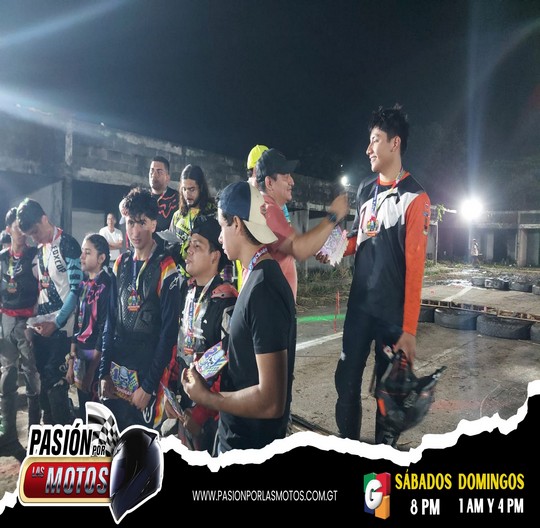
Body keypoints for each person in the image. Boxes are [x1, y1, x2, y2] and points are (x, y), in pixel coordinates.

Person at [332, 104, 431, 447]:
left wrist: (409, 331)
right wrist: (331, 247)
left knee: (388, 397)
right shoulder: (365, 190)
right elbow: (356, 239)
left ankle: (380, 473)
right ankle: (349, 448)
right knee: (346, 383)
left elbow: (416, 269)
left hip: (391, 317)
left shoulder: (416, 198)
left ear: (394, 143)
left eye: (375, 140)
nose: (368, 149)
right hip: (359, 309)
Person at [181, 181, 296, 453]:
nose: (220, 238)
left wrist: (209, 399)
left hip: (250, 445)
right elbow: (241, 344)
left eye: (222, 227)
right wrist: (203, 368)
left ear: (236, 224)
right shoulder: (255, 276)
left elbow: (271, 401)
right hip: (236, 435)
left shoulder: (264, 288)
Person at [99, 186, 180, 432]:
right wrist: (103, 371)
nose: (135, 231)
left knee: (143, 448)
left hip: (147, 375)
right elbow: (110, 319)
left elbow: (168, 334)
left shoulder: (166, 267)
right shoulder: (120, 263)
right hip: (118, 372)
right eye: (131, 223)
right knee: (114, 444)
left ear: (154, 224)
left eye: (142, 223)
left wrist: (148, 386)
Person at [165, 215, 237, 452]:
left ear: (215, 255)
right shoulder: (187, 291)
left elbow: (227, 363)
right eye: (189, 245)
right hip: (184, 403)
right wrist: (169, 391)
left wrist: (201, 413)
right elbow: (178, 345)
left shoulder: (227, 299)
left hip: (211, 414)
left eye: (197, 246)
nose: (188, 251)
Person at [17, 198, 83, 425]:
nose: (34, 238)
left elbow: (76, 290)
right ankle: (49, 438)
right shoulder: (39, 249)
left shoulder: (68, 244)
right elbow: (40, 290)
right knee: (44, 390)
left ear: (44, 219)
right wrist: (30, 323)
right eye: (30, 235)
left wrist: (56, 322)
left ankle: (64, 440)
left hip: (62, 329)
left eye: (35, 232)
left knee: (56, 390)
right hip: (41, 329)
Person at [254, 148, 349, 301]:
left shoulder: (269, 208)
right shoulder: (269, 210)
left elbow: (292, 245)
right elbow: (298, 248)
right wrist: (333, 216)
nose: (292, 181)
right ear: (269, 182)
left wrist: (315, 245)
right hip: (272, 306)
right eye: (285, 176)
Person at [0, 208, 40, 460]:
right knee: (8, 374)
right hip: (6, 319)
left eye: (24, 226)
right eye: (17, 226)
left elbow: (43, 288)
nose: (22, 231)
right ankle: (9, 436)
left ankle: (35, 438)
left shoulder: (35, 255)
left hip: (27, 321)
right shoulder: (2, 258)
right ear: (8, 230)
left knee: (32, 374)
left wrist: (35, 321)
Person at [66, 234, 114, 419]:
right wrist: (72, 360)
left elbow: (104, 328)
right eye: (82, 252)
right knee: (84, 409)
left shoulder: (107, 285)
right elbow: (77, 322)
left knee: (97, 414)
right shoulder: (83, 284)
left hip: (97, 358)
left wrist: (93, 370)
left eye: (87, 252)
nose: (81, 257)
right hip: (80, 355)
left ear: (101, 258)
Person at [168, 164, 217, 274]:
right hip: (181, 275)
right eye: (184, 189)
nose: (187, 194)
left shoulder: (213, 213)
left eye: (192, 189)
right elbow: (169, 246)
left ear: (201, 188)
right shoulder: (178, 216)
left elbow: (222, 250)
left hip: (206, 275)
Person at [149, 155, 179, 233]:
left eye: (159, 172)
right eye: (152, 171)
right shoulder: (143, 196)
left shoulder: (177, 198)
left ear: (167, 178)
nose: (154, 175)